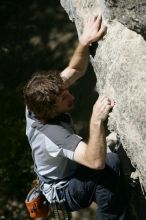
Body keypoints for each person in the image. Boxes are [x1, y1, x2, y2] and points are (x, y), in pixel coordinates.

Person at [24, 14, 127, 219]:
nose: (71, 96)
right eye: (64, 98)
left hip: (62, 176)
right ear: (51, 110)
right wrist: (96, 120)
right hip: (61, 194)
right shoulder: (54, 135)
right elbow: (95, 162)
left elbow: (75, 69)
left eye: (66, 91)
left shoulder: (38, 99)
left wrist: (84, 41)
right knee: (110, 164)